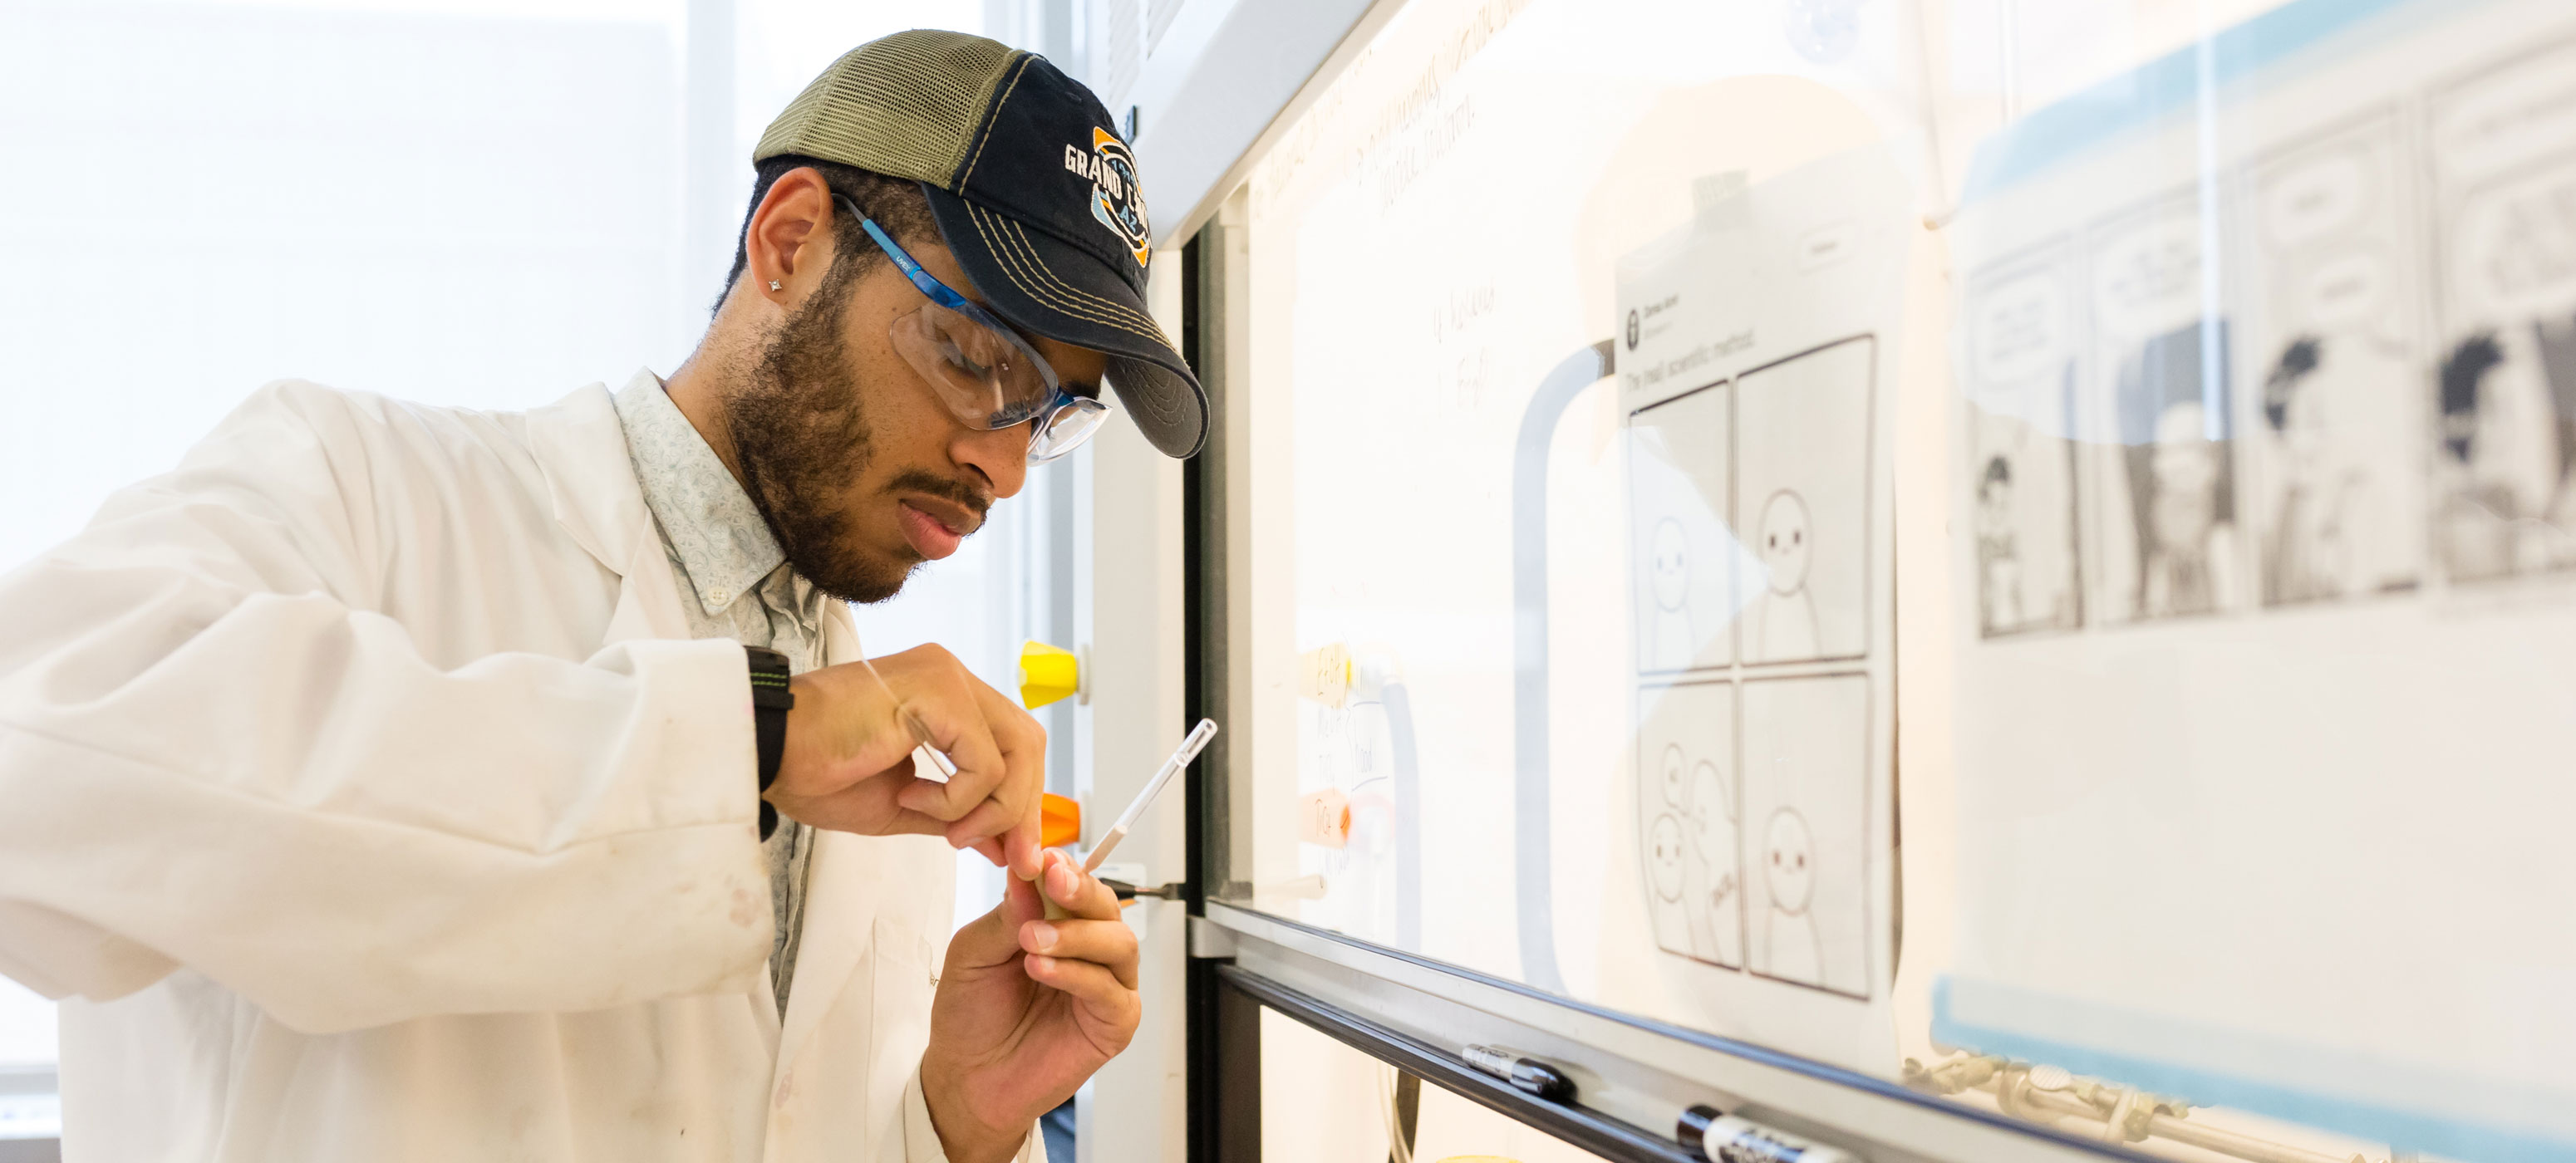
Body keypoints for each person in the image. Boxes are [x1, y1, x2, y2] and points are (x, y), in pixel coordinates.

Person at [0, 30, 1204, 1163]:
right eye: (979, 358)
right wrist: (750, 740)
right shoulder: (362, 491)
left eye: (1052, 415)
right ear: (790, 243)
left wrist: (948, 1120)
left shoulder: (892, 784)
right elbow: (36, 768)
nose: (1001, 465)